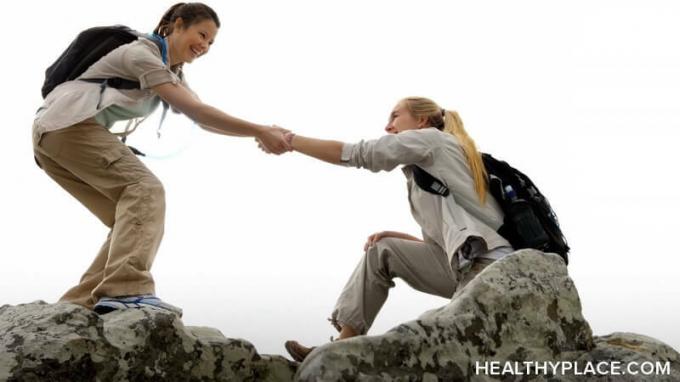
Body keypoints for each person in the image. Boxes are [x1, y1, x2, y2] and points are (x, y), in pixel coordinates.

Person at [32, 3, 290, 317]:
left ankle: (81, 304)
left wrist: (257, 132)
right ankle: (125, 290)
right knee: (146, 191)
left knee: (129, 218)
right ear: (177, 25)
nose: (205, 46)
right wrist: (259, 130)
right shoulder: (141, 55)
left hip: (54, 135)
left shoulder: (170, 71)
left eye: (211, 42)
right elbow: (198, 112)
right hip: (69, 127)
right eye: (202, 34)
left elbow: (202, 118)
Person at [272, 97, 515, 362]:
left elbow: (357, 154)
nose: (388, 127)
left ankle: (340, 354)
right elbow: (449, 244)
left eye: (395, 117)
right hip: (466, 265)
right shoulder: (427, 165)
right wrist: (401, 238)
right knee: (382, 250)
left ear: (421, 120)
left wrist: (290, 140)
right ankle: (340, 348)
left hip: (488, 267)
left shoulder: (431, 140)